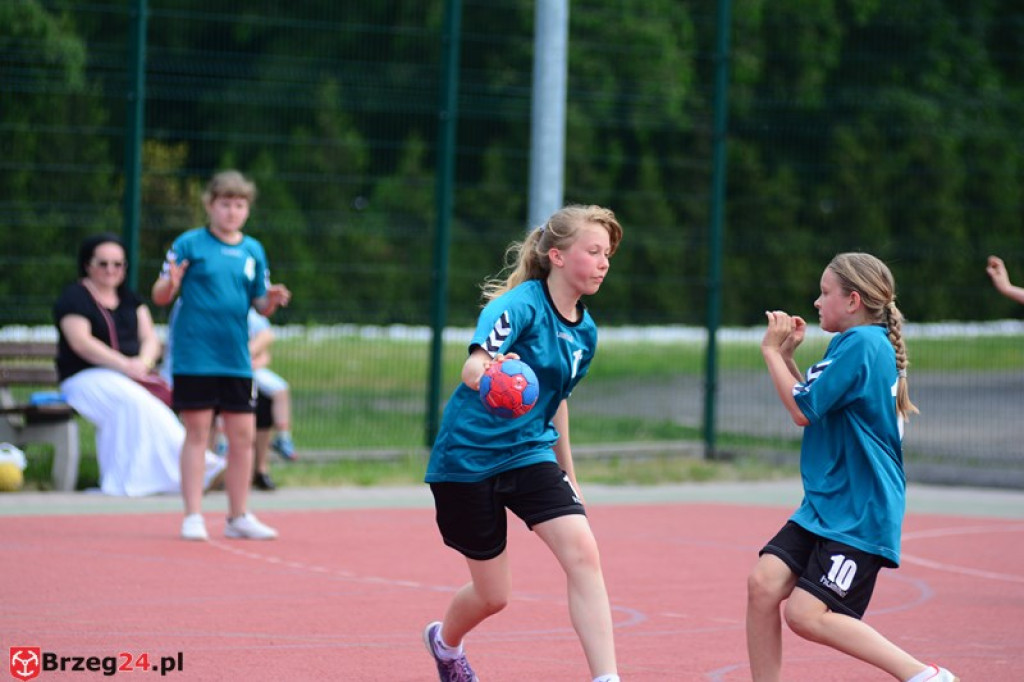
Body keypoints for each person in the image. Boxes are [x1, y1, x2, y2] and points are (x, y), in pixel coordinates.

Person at [423, 205, 623, 682]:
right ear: (556, 255)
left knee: (583, 552)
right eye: (593, 251)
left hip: (531, 452)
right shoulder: (517, 306)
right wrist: (496, 375)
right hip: (467, 459)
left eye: (608, 254)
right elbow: (473, 367)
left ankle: (607, 677)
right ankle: (445, 645)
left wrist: (570, 476)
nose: (603, 263)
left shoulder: (585, 332)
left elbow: (557, 402)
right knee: (493, 595)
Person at [747, 252, 958, 682]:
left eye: (826, 293)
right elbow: (813, 400)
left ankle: (925, 676)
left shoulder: (864, 344)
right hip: (830, 506)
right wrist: (788, 358)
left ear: (854, 300)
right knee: (764, 584)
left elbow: (802, 410)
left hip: (861, 511)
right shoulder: (855, 343)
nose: (817, 302)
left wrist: (770, 350)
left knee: (806, 615)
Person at [152, 169, 291, 541]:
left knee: (242, 436)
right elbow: (160, 294)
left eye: (239, 205)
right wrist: (171, 283)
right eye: (225, 203)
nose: (232, 211)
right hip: (196, 354)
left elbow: (260, 304)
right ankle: (193, 515)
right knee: (198, 432)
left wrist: (271, 301)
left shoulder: (253, 250)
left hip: (235, 357)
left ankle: (238, 515)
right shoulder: (188, 244)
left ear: (247, 209)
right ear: (210, 205)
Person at [53, 233, 225, 496]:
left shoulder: (131, 300)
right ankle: (196, 468)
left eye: (118, 264)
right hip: (85, 379)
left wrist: (143, 363)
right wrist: (124, 364)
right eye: (103, 263)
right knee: (133, 402)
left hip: (130, 379)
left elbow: (150, 339)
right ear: (88, 265)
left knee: (141, 404)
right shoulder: (74, 297)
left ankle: (168, 475)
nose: (111, 270)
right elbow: (81, 342)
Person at [247, 308, 297, 491]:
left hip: (250, 372)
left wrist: (249, 359)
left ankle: (261, 469)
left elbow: (265, 353)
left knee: (272, 397)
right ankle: (218, 460)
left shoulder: (253, 317)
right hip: (227, 374)